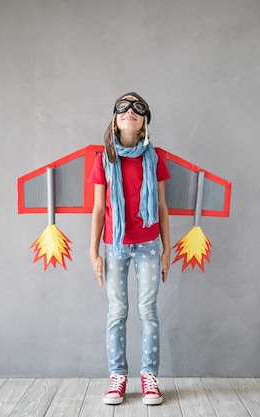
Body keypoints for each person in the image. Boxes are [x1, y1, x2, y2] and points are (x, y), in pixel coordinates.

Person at [89, 92, 171, 406]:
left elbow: (162, 206)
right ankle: (118, 377)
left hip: (149, 245)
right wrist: (92, 251)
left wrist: (166, 249)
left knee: (148, 312)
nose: (130, 111)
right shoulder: (103, 159)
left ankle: (150, 378)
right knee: (117, 313)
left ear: (144, 122)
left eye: (138, 108)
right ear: (115, 119)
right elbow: (98, 210)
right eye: (123, 107)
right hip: (115, 246)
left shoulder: (156, 157)